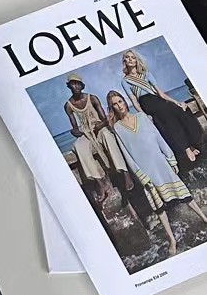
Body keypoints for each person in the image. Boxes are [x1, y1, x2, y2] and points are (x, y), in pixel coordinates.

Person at [106, 90, 207, 256]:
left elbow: (158, 137)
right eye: (114, 104)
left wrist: (171, 158)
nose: (119, 106)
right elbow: (127, 154)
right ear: (112, 108)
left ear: (125, 102)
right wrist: (140, 175)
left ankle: (203, 218)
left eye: (120, 101)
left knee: (184, 194)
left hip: (161, 163)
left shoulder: (141, 117)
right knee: (159, 208)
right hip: (147, 171)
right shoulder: (117, 128)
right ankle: (172, 240)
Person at [120, 49, 203, 173]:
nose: (130, 59)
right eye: (127, 57)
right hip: (147, 105)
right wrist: (144, 115)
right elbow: (134, 101)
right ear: (124, 61)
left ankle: (191, 144)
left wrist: (176, 102)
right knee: (166, 119)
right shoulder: (125, 81)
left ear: (136, 60)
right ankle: (186, 148)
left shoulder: (146, 74)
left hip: (158, 101)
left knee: (181, 111)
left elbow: (161, 94)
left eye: (133, 57)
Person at [63, 73, 130, 198]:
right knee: (79, 147)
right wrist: (75, 132)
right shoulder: (68, 105)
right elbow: (75, 128)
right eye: (73, 84)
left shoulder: (92, 98)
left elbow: (105, 119)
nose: (76, 86)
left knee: (107, 137)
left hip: (99, 127)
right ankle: (100, 183)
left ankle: (124, 172)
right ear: (69, 86)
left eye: (78, 84)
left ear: (82, 86)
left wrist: (100, 126)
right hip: (86, 132)